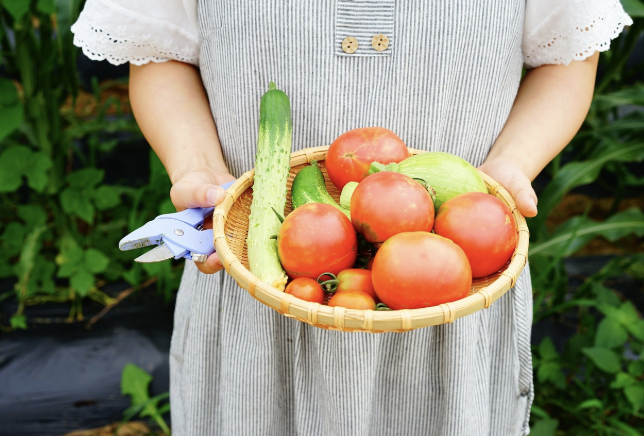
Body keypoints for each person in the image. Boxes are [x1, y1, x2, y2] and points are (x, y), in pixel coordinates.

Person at [72, 1, 632, 434]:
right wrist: (198, 170)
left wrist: (510, 167)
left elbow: (568, 56)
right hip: (257, 276)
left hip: (456, 291)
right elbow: (158, 50)